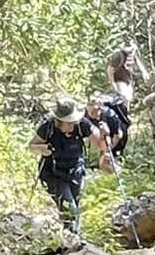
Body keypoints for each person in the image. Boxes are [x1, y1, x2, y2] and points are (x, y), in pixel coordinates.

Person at [29, 96, 107, 224]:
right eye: (69, 122)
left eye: (74, 120)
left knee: (74, 209)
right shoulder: (47, 127)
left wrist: (104, 134)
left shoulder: (82, 124)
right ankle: (72, 239)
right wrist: (43, 149)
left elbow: (100, 144)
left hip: (76, 172)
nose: (73, 124)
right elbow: (32, 146)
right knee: (70, 211)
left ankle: (71, 240)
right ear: (59, 121)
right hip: (53, 174)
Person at [86, 92, 129, 158]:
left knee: (113, 155)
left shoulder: (110, 116)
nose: (91, 114)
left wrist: (110, 148)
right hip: (102, 139)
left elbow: (119, 135)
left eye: (94, 111)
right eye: (89, 111)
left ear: (99, 109)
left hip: (115, 138)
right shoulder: (87, 116)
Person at [108, 42, 141, 108]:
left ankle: (124, 113)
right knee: (123, 99)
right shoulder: (118, 55)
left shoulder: (132, 55)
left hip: (128, 81)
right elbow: (110, 69)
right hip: (119, 81)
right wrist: (113, 82)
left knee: (128, 99)